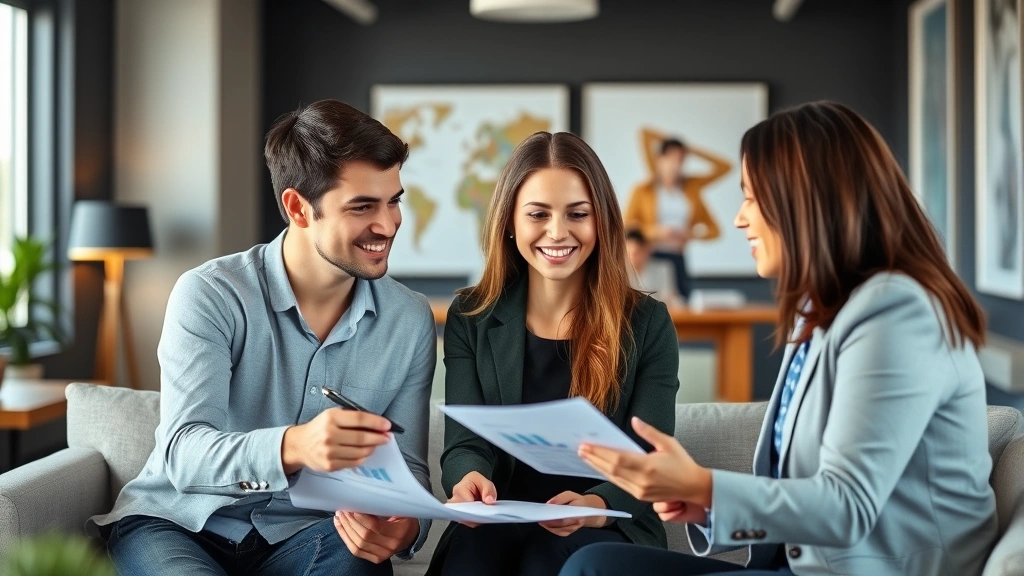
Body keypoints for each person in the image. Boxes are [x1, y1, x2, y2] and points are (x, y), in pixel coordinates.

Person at [560, 101, 998, 576]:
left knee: (594, 569)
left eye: (750, 197)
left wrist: (706, 485)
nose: (739, 219)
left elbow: (847, 504)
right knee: (595, 562)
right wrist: (703, 503)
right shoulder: (822, 306)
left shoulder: (897, 313)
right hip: (806, 564)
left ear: (804, 201)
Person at [88, 99, 438, 575]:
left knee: (362, 567)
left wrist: (407, 526)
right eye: (363, 206)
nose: (388, 224)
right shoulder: (210, 294)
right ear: (297, 207)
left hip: (308, 533)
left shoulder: (410, 319)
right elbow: (183, 454)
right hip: (177, 522)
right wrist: (295, 445)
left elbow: (408, 468)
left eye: (393, 200)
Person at [427, 132, 680, 576]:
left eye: (577, 214)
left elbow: (649, 456)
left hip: (603, 525)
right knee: (471, 559)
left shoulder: (647, 322)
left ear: (600, 220)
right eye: (538, 215)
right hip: (500, 515)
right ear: (510, 222)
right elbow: (465, 443)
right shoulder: (472, 315)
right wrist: (467, 477)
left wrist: (597, 504)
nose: (558, 232)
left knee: (552, 559)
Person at [623, 128, 733, 302]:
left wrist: (691, 235)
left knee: (683, 304)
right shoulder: (644, 190)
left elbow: (725, 167)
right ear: (659, 160)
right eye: (671, 158)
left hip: (678, 257)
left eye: (681, 159)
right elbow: (627, 225)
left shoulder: (691, 187)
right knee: (649, 306)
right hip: (650, 256)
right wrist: (656, 232)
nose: (675, 164)